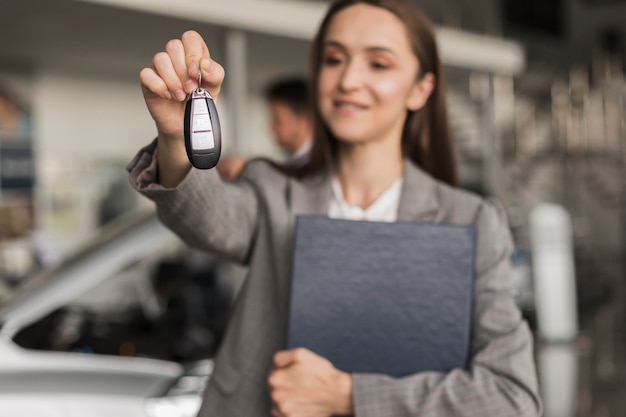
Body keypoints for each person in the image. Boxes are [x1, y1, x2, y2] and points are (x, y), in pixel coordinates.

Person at [128, 0, 542, 415]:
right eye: (333, 59)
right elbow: (205, 217)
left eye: (378, 64)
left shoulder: (471, 221)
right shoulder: (275, 190)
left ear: (421, 89)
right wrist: (175, 138)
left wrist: (348, 395)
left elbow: (511, 397)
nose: (348, 80)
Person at [217, 77, 313, 181]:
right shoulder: (293, 163)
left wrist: (248, 170)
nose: (270, 128)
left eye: (277, 120)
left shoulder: (319, 168)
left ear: (303, 122)